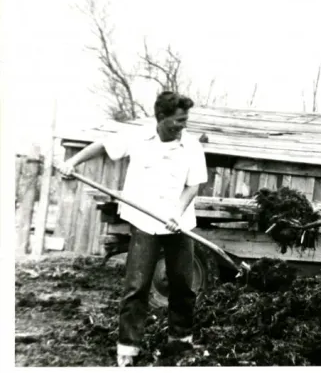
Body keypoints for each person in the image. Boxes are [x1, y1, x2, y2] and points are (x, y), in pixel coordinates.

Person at [56, 91, 208, 367]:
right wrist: (71, 163)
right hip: (144, 222)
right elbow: (102, 145)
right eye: (178, 121)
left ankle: (181, 342)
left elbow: (194, 185)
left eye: (185, 120)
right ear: (161, 118)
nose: (183, 126)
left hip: (179, 224)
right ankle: (128, 348)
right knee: (136, 286)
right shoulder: (137, 137)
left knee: (183, 284)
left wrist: (177, 213)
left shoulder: (191, 146)